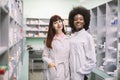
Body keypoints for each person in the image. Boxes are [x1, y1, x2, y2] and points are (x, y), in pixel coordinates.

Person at [68, 6, 96, 80]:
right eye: (75, 19)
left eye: (81, 19)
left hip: (81, 75)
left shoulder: (87, 37)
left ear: (84, 22)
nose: (78, 21)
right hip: (71, 74)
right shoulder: (71, 37)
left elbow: (92, 59)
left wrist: (81, 72)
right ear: (72, 22)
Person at [42, 15, 70, 80]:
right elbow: (44, 56)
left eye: (60, 21)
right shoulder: (49, 40)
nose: (58, 24)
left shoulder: (68, 38)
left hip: (66, 70)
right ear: (52, 26)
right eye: (55, 23)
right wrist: (50, 63)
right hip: (55, 69)